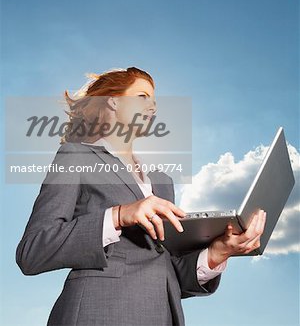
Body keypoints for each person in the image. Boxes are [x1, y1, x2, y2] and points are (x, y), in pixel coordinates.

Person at [16, 66, 266, 326]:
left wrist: (217, 253)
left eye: (155, 101)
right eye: (142, 97)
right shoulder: (76, 157)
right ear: (112, 101)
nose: (153, 107)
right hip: (99, 313)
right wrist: (119, 215)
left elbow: (166, 268)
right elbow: (33, 251)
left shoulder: (162, 182)